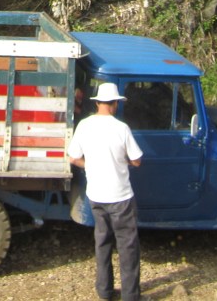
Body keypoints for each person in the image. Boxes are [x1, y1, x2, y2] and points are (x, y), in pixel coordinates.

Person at [68, 82, 144, 301]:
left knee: (102, 244)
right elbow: (137, 160)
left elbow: (73, 157)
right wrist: (123, 161)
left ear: (98, 102)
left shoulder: (84, 126)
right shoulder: (121, 129)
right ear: (114, 105)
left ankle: (105, 291)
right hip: (120, 197)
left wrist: (89, 165)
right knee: (128, 247)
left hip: (96, 196)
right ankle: (131, 296)